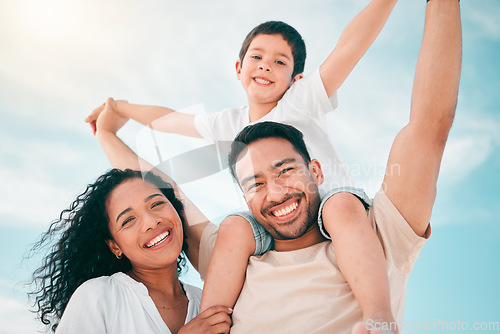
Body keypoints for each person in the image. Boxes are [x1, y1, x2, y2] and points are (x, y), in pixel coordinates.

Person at [87, 0, 400, 323]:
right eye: (257, 57)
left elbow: (351, 45)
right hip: (271, 221)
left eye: (280, 61)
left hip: (327, 209)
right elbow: (170, 120)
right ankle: (209, 323)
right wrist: (123, 108)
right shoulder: (229, 123)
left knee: (339, 208)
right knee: (234, 228)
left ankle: (378, 315)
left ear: (296, 78)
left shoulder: (301, 101)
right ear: (239, 69)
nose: (265, 66)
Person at [199, 0, 461, 332]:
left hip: (342, 213)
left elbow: (429, 125)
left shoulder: (376, 236)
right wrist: (111, 125)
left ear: (316, 172)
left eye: (286, 170)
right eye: (256, 183)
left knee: (339, 204)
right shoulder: (235, 255)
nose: (276, 190)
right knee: (232, 228)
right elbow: (153, 193)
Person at [28, 169, 232, 334]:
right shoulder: (99, 296)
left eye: (157, 203)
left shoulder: (210, 303)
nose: (152, 222)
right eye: (128, 220)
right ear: (115, 246)